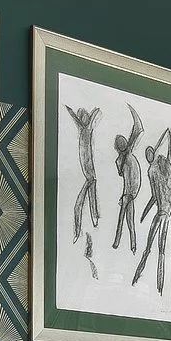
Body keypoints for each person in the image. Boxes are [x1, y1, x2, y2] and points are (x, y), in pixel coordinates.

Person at [132, 125, 171, 293]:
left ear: (153, 153)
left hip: (166, 212)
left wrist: (169, 136)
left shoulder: (162, 163)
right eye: (147, 155)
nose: (148, 156)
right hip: (160, 211)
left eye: (150, 153)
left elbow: (169, 148)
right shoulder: (151, 170)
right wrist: (145, 212)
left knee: (161, 249)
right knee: (149, 246)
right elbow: (153, 195)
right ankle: (137, 275)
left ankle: (160, 286)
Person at [65, 103, 104, 265]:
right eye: (83, 116)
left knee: (91, 186)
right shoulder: (82, 128)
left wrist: (94, 111)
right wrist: (70, 110)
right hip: (87, 169)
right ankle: (91, 221)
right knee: (89, 188)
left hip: (89, 170)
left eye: (85, 116)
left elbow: (95, 113)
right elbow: (75, 116)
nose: (84, 118)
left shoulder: (87, 129)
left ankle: (94, 220)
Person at [109, 104, 145, 255]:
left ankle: (123, 243)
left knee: (125, 218)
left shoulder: (126, 156)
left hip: (130, 192)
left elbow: (138, 130)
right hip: (129, 192)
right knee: (127, 218)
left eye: (123, 141)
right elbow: (122, 174)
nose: (123, 143)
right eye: (121, 143)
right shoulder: (120, 159)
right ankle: (131, 245)